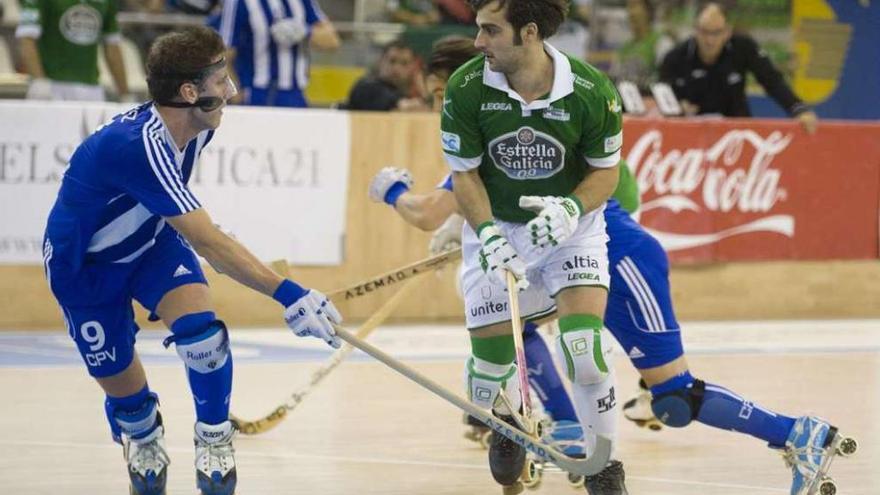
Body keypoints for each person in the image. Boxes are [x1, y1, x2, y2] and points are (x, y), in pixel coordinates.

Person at [369, 32, 856, 495]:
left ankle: (798, 434)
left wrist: (393, 191)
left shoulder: (539, 126)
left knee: (674, 399)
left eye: (441, 94)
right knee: (512, 324)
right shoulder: (487, 141)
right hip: (571, 264)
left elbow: (614, 190)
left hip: (623, 263)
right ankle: (550, 424)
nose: (440, 106)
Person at [42, 26, 342, 495]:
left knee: (203, 334)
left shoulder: (197, 128)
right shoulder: (139, 144)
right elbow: (207, 240)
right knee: (131, 407)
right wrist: (290, 294)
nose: (230, 90)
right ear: (189, 93)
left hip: (151, 243)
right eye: (221, 80)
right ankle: (141, 434)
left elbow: (195, 228)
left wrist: (215, 244)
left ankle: (215, 437)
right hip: (84, 268)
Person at [438, 0, 627, 491]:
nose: (478, 43)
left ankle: (604, 467)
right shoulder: (466, 87)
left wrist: (569, 210)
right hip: (498, 225)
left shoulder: (591, 91)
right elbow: (464, 175)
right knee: (488, 375)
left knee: (583, 350)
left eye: (489, 31)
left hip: (570, 227)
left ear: (528, 33)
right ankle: (509, 413)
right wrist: (489, 233)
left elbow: (606, 172)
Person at [659, 2, 818, 133]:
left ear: (727, 32)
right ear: (695, 30)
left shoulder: (743, 48)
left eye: (716, 33)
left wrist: (798, 109)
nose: (710, 40)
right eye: (704, 32)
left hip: (738, 132)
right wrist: (677, 109)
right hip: (691, 135)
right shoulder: (675, 58)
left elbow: (772, 81)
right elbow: (662, 97)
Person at [218, 0, 340, 107]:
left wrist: (305, 31)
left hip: (295, 93)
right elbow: (223, 56)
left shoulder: (302, 1)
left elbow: (332, 41)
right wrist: (235, 97)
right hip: (256, 93)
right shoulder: (239, 2)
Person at [16, 0, 130, 101]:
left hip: (91, 88)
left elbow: (112, 47)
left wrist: (124, 93)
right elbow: (27, 40)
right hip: (51, 85)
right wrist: (39, 81)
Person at [345, 40, 429, 111]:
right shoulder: (365, 86)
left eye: (404, 63)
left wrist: (422, 88)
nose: (397, 68)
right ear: (381, 61)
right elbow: (394, 104)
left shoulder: (403, 93)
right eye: (392, 61)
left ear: (412, 68)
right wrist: (400, 104)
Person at [608, 0, 673, 90]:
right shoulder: (624, 48)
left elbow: (667, 81)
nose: (630, 12)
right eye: (629, 7)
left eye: (634, 6)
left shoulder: (661, 43)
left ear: (648, 11)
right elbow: (612, 79)